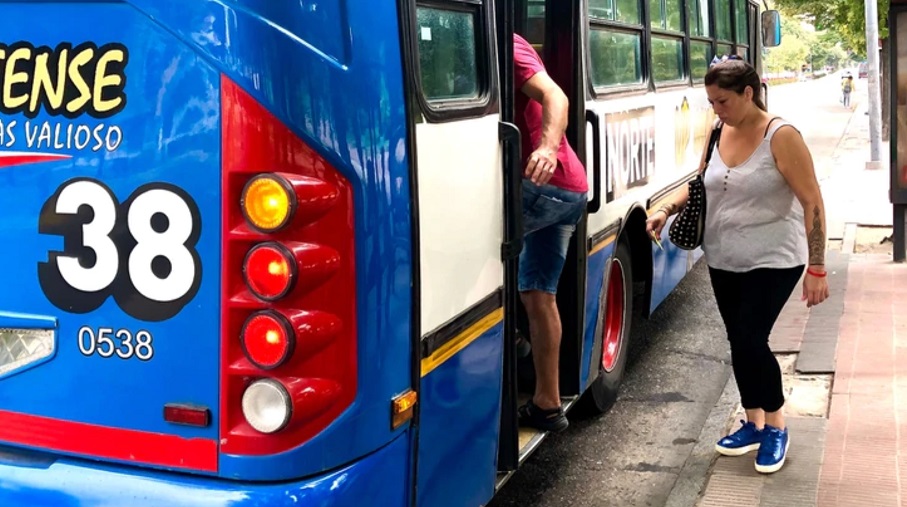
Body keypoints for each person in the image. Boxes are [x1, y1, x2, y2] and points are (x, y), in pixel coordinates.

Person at [645, 59, 830, 473]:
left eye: (723, 101)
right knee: (738, 340)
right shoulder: (718, 130)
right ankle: (753, 422)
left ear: (749, 93)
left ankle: (776, 427)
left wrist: (817, 266)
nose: (716, 109)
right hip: (724, 258)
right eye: (711, 102)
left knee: (750, 338)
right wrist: (665, 209)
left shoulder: (781, 136)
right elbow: (700, 185)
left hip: (774, 259)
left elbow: (812, 201)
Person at [513, 33, 588, 432]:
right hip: (570, 190)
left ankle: (514, 342)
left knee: (466, 260)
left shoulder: (507, 43)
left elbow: (555, 96)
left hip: (542, 186)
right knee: (539, 294)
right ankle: (548, 403)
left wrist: (546, 148)